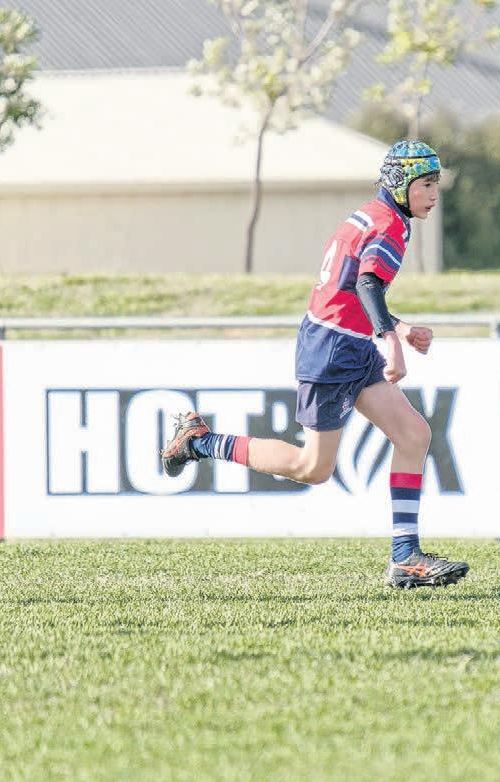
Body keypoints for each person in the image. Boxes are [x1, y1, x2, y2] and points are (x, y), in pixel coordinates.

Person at [161, 141, 469, 589]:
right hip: (333, 349)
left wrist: (398, 328)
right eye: (425, 184)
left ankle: (405, 557)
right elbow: (366, 285)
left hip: (344, 341)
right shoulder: (389, 226)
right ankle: (201, 443)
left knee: (414, 434)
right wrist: (391, 339)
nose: (434, 194)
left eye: (436, 183)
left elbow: (349, 287)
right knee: (313, 468)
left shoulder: (375, 214)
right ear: (399, 184)